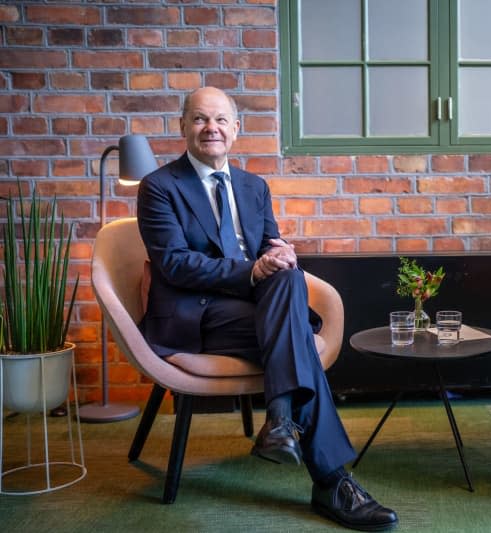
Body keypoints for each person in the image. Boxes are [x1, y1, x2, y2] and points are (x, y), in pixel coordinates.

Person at [137, 86, 398, 532]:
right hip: (196, 314)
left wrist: (280, 257)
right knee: (295, 331)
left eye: (220, 119)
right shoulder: (160, 187)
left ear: (236, 129)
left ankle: (281, 423)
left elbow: (268, 247)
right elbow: (175, 264)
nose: (210, 128)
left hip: (255, 309)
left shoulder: (254, 187)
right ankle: (331, 480)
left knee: (289, 274)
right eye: (199, 119)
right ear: (182, 127)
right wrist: (255, 272)